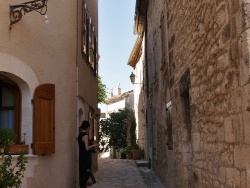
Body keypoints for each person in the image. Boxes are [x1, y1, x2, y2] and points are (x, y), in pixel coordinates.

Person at [78, 120, 99, 188]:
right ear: (87, 127)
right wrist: (94, 145)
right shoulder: (85, 136)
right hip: (86, 158)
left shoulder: (79, 135)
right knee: (86, 175)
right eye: (89, 128)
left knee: (82, 175)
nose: (89, 130)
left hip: (81, 157)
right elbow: (87, 148)